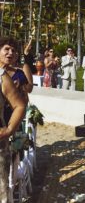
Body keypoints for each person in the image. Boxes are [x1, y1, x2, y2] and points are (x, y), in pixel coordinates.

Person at [0, 37, 26, 201]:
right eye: (6, 49)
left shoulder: (2, 77)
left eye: (12, 50)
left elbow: (20, 105)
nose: (10, 53)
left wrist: (9, 130)